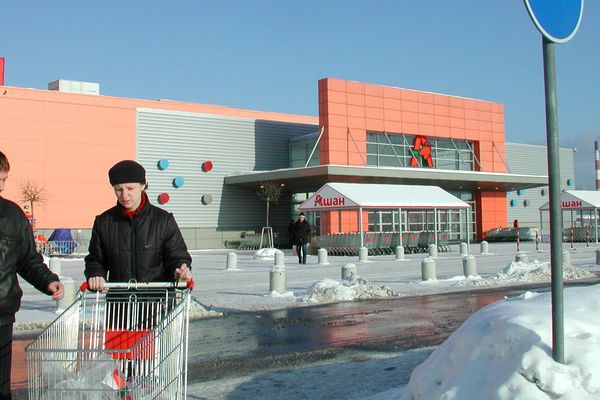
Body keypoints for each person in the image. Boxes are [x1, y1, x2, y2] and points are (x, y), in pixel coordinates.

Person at [0, 150, 64, 400]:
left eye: (3, 180)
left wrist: (48, 280)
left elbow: (27, 258)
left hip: (2, 316)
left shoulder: (12, 215)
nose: (1, 187)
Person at [84, 160, 192, 291]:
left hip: (157, 303)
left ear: (143, 185)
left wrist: (181, 271)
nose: (124, 195)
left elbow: (177, 257)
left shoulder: (163, 220)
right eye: (118, 189)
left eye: (130, 188)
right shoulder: (104, 222)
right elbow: (95, 260)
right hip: (119, 304)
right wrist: (96, 274)